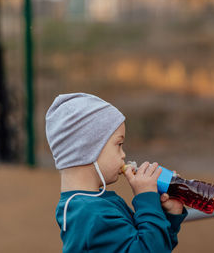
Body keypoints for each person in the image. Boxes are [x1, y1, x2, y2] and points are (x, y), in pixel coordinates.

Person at [45, 93, 187, 252]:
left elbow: (153, 246)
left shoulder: (93, 204)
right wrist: (146, 199)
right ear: (89, 149)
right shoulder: (93, 215)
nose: (123, 154)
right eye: (119, 144)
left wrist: (170, 215)